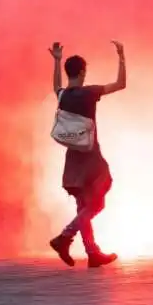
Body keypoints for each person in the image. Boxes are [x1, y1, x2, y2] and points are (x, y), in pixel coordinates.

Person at [48, 41, 125, 268]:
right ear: (82, 72)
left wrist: (56, 60)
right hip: (92, 158)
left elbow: (56, 87)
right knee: (98, 201)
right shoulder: (89, 93)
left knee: (83, 206)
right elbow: (121, 84)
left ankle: (92, 253)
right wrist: (121, 56)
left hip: (73, 160)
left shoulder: (63, 96)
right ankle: (65, 236)